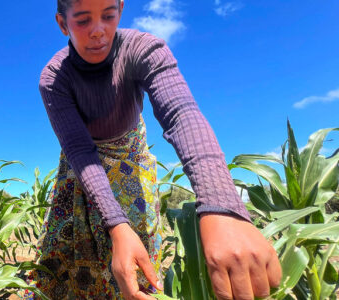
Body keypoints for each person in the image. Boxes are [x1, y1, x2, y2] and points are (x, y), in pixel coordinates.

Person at [23, 0, 282, 299]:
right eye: (83, 20)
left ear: (121, 8)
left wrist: (221, 205)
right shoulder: (54, 78)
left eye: (109, 16)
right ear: (62, 23)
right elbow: (80, 150)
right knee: (67, 261)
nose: (98, 31)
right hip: (82, 170)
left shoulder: (142, 49)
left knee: (139, 264)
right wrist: (117, 225)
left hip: (132, 161)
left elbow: (181, 114)